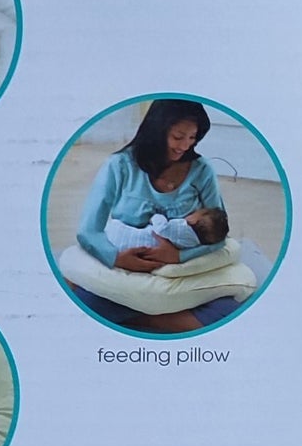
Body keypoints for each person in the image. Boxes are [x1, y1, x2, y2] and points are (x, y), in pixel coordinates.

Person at [72, 99, 233, 333]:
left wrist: (178, 255)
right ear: (157, 130)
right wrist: (117, 258)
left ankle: (142, 317)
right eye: (178, 137)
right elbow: (89, 229)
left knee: (228, 310)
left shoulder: (202, 170)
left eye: (192, 138)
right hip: (126, 271)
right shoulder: (120, 165)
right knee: (82, 301)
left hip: (179, 276)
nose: (185, 146)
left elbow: (219, 232)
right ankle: (159, 317)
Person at [105, 206, 229, 254]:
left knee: (116, 226)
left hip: (131, 241)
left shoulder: (183, 229)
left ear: (194, 221)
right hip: (142, 247)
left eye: (196, 212)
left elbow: (162, 228)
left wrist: (156, 216)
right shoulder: (193, 243)